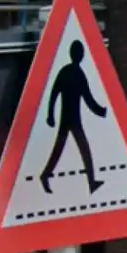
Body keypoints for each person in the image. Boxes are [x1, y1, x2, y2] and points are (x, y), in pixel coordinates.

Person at [40, 39, 108, 195]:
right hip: (73, 119)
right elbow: (88, 98)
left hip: (67, 118)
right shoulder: (77, 73)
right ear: (80, 55)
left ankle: (46, 175)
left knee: (61, 150)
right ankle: (90, 182)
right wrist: (102, 111)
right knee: (83, 150)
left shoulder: (65, 71)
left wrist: (51, 114)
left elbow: (54, 94)